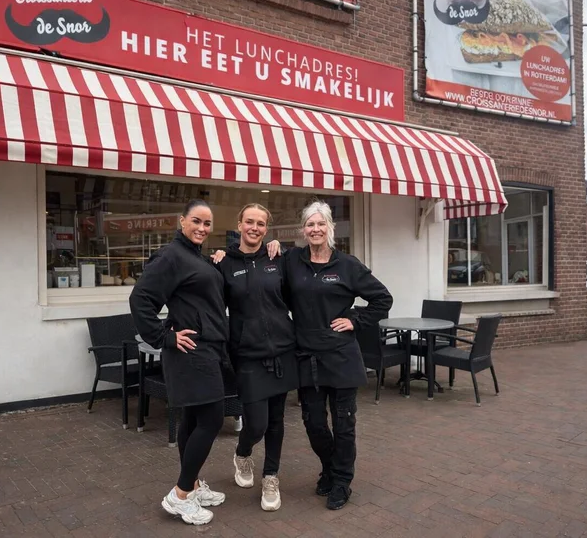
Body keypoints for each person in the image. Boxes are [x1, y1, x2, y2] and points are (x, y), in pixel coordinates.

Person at [279, 201, 393, 510]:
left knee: (344, 424)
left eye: (321, 224)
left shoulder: (348, 265)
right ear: (303, 230)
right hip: (306, 357)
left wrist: (355, 321)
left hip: (341, 357)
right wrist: (270, 246)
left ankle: (341, 481)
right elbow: (263, 268)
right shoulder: (292, 261)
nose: (315, 229)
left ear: (330, 228)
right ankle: (329, 467)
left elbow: (383, 299)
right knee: (313, 423)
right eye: (310, 224)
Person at [130, 199, 228, 526]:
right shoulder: (171, 255)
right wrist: (164, 338)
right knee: (212, 419)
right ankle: (181, 494)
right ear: (181, 221)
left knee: (192, 420)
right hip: (190, 352)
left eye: (207, 223)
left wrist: (217, 263)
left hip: (206, 350)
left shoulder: (193, 257)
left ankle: (194, 484)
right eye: (196, 221)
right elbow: (141, 299)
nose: (202, 228)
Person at [215, 203, 298, 511]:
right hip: (247, 355)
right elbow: (212, 307)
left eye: (261, 223)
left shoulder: (279, 259)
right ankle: (242, 451)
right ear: (239, 224)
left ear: (266, 228)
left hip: (281, 352)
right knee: (257, 423)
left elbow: (297, 294)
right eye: (249, 221)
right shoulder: (224, 264)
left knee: (277, 421)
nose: (254, 227)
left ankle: (271, 477)